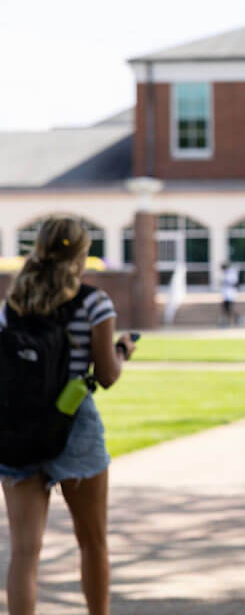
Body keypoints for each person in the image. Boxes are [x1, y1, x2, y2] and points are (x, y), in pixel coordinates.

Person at [0, 217, 136, 615]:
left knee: (24, 552)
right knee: (92, 542)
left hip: (17, 428)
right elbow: (107, 375)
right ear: (81, 254)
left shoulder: (12, 305)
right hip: (74, 423)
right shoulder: (94, 302)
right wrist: (123, 350)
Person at [219, 261, 239, 327]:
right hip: (226, 294)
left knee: (230, 309)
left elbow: (233, 282)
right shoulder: (225, 273)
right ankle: (228, 321)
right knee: (225, 308)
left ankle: (234, 321)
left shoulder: (231, 273)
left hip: (231, 295)